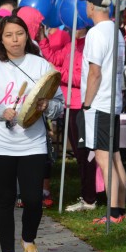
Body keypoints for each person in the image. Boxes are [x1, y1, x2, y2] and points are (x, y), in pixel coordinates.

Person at [0, 15, 64, 252]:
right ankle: (7, 251)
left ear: (27, 35)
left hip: (32, 144)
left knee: (33, 199)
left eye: (19, 34)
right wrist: (1, 112)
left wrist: (46, 106)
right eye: (9, 35)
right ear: (1, 39)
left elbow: (60, 104)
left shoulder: (41, 65)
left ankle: (28, 239)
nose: (15, 39)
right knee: (5, 199)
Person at [78, 0, 126, 224]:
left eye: (86, 4)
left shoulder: (96, 33)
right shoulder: (115, 30)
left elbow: (94, 73)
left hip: (100, 103)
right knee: (115, 157)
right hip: (114, 100)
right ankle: (120, 209)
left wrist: (86, 104)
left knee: (103, 159)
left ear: (90, 7)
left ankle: (113, 213)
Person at [39, 26, 97, 212]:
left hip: (81, 104)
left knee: (84, 153)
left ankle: (89, 197)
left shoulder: (88, 46)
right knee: (79, 153)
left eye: (77, 26)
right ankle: (86, 194)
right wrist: (42, 40)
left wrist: (57, 73)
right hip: (70, 104)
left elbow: (83, 78)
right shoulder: (73, 44)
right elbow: (56, 59)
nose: (71, 29)